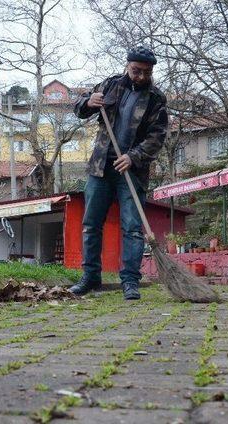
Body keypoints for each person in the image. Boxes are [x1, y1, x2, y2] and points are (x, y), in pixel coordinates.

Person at [71, 46, 168, 300]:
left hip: (132, 170)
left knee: (133, 228)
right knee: (91, 224)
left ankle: (130, 282)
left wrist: (133, 156)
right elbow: (80, 108)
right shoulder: (110, 85)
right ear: (127, 66)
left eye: (146, 72)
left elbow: (157, 136)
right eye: (136, 71)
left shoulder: (156, 99)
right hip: (101, 166)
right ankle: (90, 278)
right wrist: (87, 102)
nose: (141, 77)